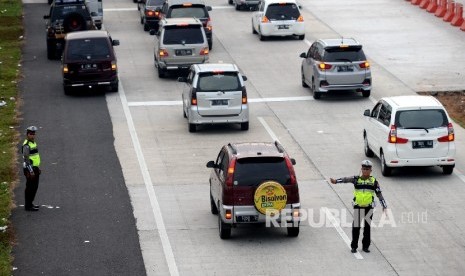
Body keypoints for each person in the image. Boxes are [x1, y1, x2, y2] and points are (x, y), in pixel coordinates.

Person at [329, 160, 387, 253]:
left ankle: (365, 246)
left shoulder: (374, 182)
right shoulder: (356, 179)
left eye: (367, 169)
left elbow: (379, 194)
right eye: (364, 169)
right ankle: (354, 246)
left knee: (367, 228)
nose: (365, 171)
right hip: (358, 207)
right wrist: (336, 181)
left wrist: (384, 206)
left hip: (369, 208)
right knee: (356, 227)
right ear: (361, 169)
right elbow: (345, 179)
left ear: (370, 171)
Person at [22, 126, 41, 211]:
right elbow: (26, 159)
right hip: (30, 169)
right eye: (30, 134)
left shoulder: (33, 143)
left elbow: (35, 157)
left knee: (34, 187)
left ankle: (31, 203)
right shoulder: (26, 145)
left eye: (33, 134)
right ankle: (28, 206)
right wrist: (31, 171)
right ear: (27, 134)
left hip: (35, 168)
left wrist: (37, 167)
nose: (32, 135)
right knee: (30, 187)